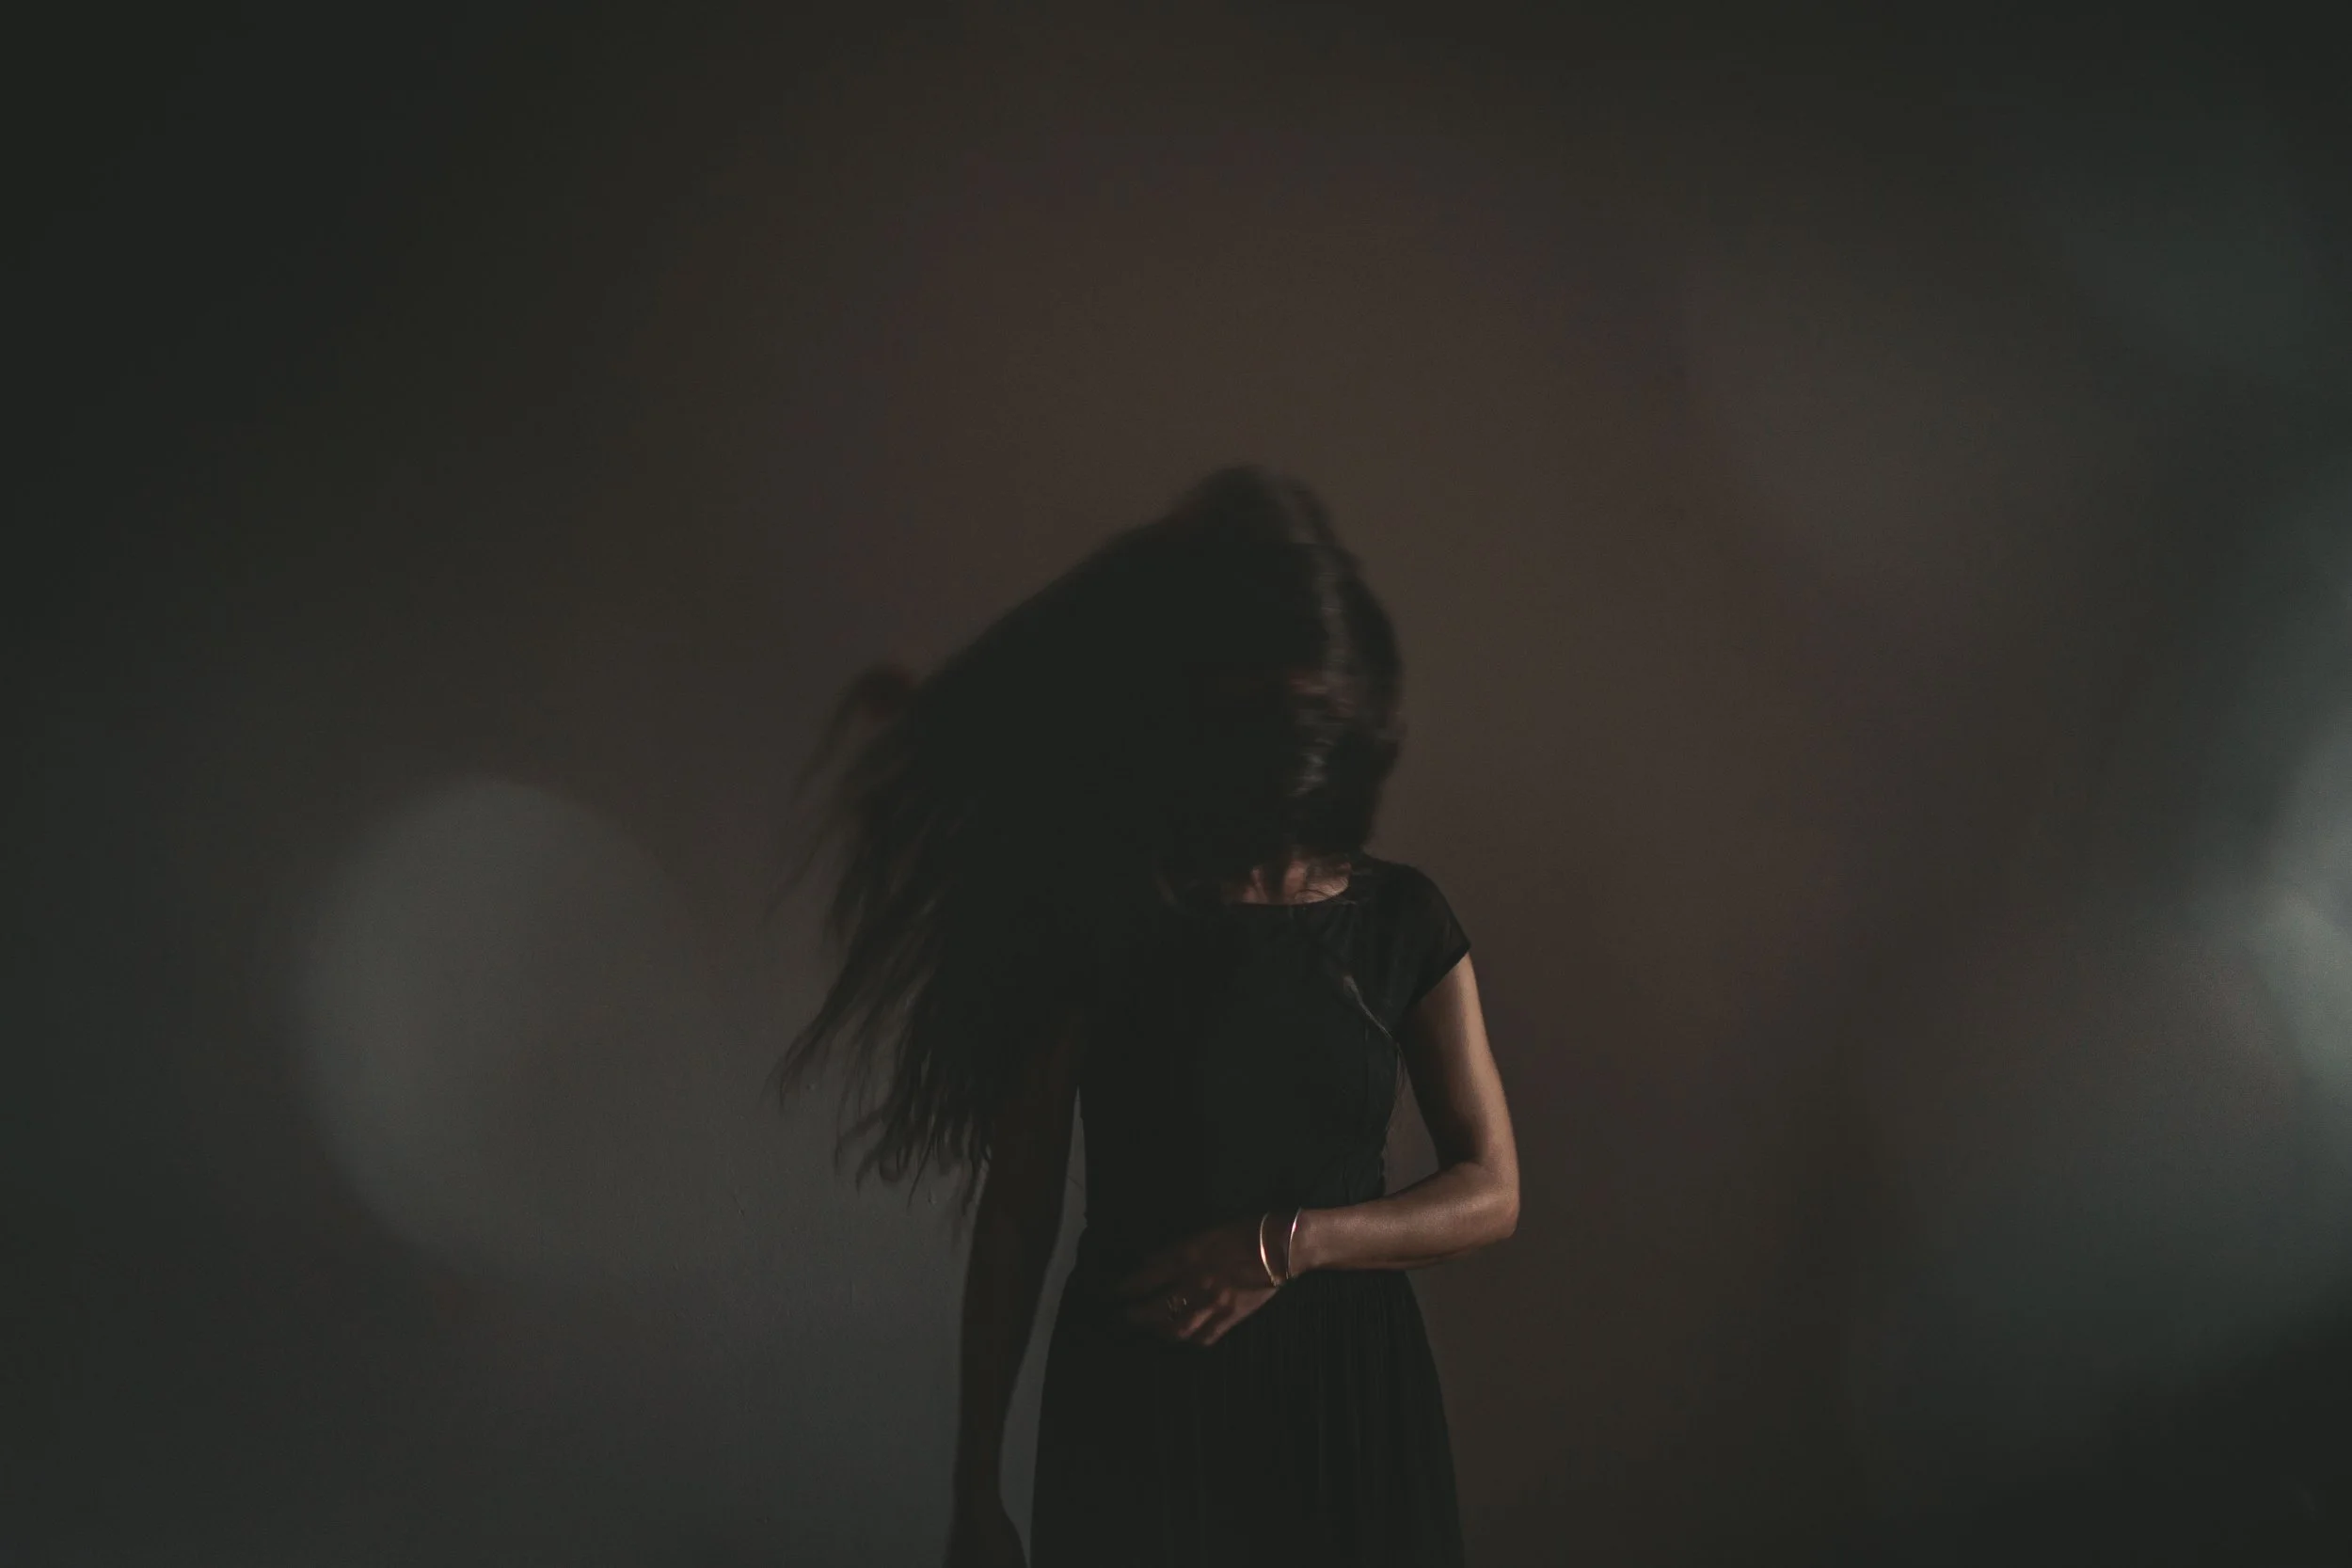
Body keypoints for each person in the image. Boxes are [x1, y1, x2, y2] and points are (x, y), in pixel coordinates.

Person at [776, 467, 1518, 1567]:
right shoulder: (1099, 916)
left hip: (1348, 1399)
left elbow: (1491, 1189)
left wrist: (1288, 1245)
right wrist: (974, 1482)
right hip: (1143, 1413)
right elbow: (1018, 1211)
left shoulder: (1401, 919)